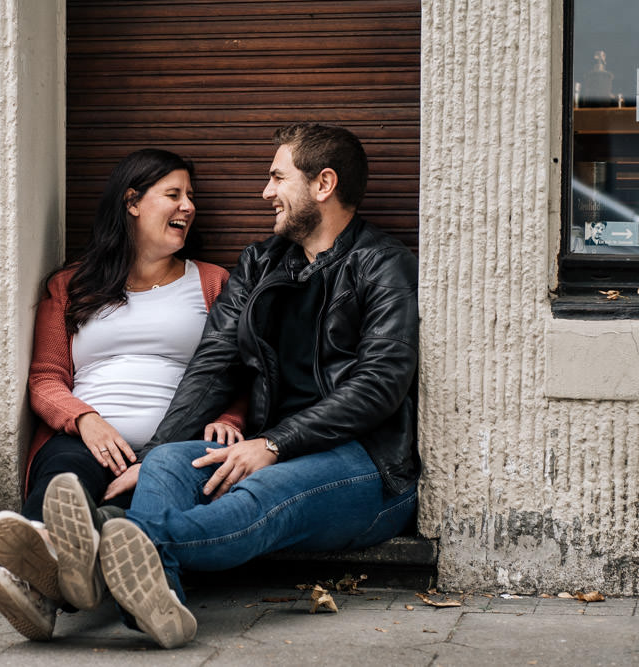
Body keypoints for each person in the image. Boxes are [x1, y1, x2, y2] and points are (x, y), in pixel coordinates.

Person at [43, 123, 420, 648]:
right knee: (172, 464)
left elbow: (380, 385)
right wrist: (149, 458)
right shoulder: (261, 263)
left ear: (323, 184)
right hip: (268, 445)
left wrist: (274, 443)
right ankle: (161, 607)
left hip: (365, 465)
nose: (265, 192)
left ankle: (96, 548)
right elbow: (212, 366)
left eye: (277, 177)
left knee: (257, 492)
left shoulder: (384, 264)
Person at [0, 148, 244, 640]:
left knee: (133, 507)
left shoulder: (214, 283)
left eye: (191, 197)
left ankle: (42, 591)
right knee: (63, 477)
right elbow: (46, 378)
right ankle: (37, 572)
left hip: (175, 444)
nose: (189, 207)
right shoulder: (72, 285)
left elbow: (239, 370)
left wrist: (233, 420)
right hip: (90, 435)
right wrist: (85, 420)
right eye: (174, 195)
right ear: (132, 202)